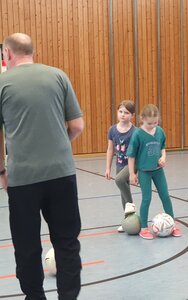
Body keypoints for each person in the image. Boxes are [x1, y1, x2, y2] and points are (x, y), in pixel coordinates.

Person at [0, 33, 84, 299]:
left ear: (8, 54)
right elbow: (77, 126)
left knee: (26, 245)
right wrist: (57, 144)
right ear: (31, 51)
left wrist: (2, 172)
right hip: (62, 174)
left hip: (23, 179)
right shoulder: (58, 76)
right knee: (67, 242)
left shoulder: (2, 83)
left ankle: (35, 296)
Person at [127, 104, 181, 240]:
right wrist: (132, 174)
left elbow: (163, 147)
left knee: (165, 196)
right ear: (142, 119)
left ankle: (172, 224)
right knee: (147, 198)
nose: (152, 125)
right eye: (149, 123)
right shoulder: (138, 134)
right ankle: (144, 228)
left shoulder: (160, 132)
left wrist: (163, 157)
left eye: (155, 122)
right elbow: (131, 155)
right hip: (144, 171)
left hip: (158, 171)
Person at [105, 100, 137, 232]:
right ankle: (128, 220)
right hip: (119, 164)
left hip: (132, 164)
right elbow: (110, 149)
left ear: (132, 115)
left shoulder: (135, 131)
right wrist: (108, 168)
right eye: (121, 111)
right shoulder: (112, 130)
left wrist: (134, 173)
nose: (123, 115)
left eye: (127, 112)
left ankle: (132, 211)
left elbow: (137, 152)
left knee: (119, 180)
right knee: (123, 193)